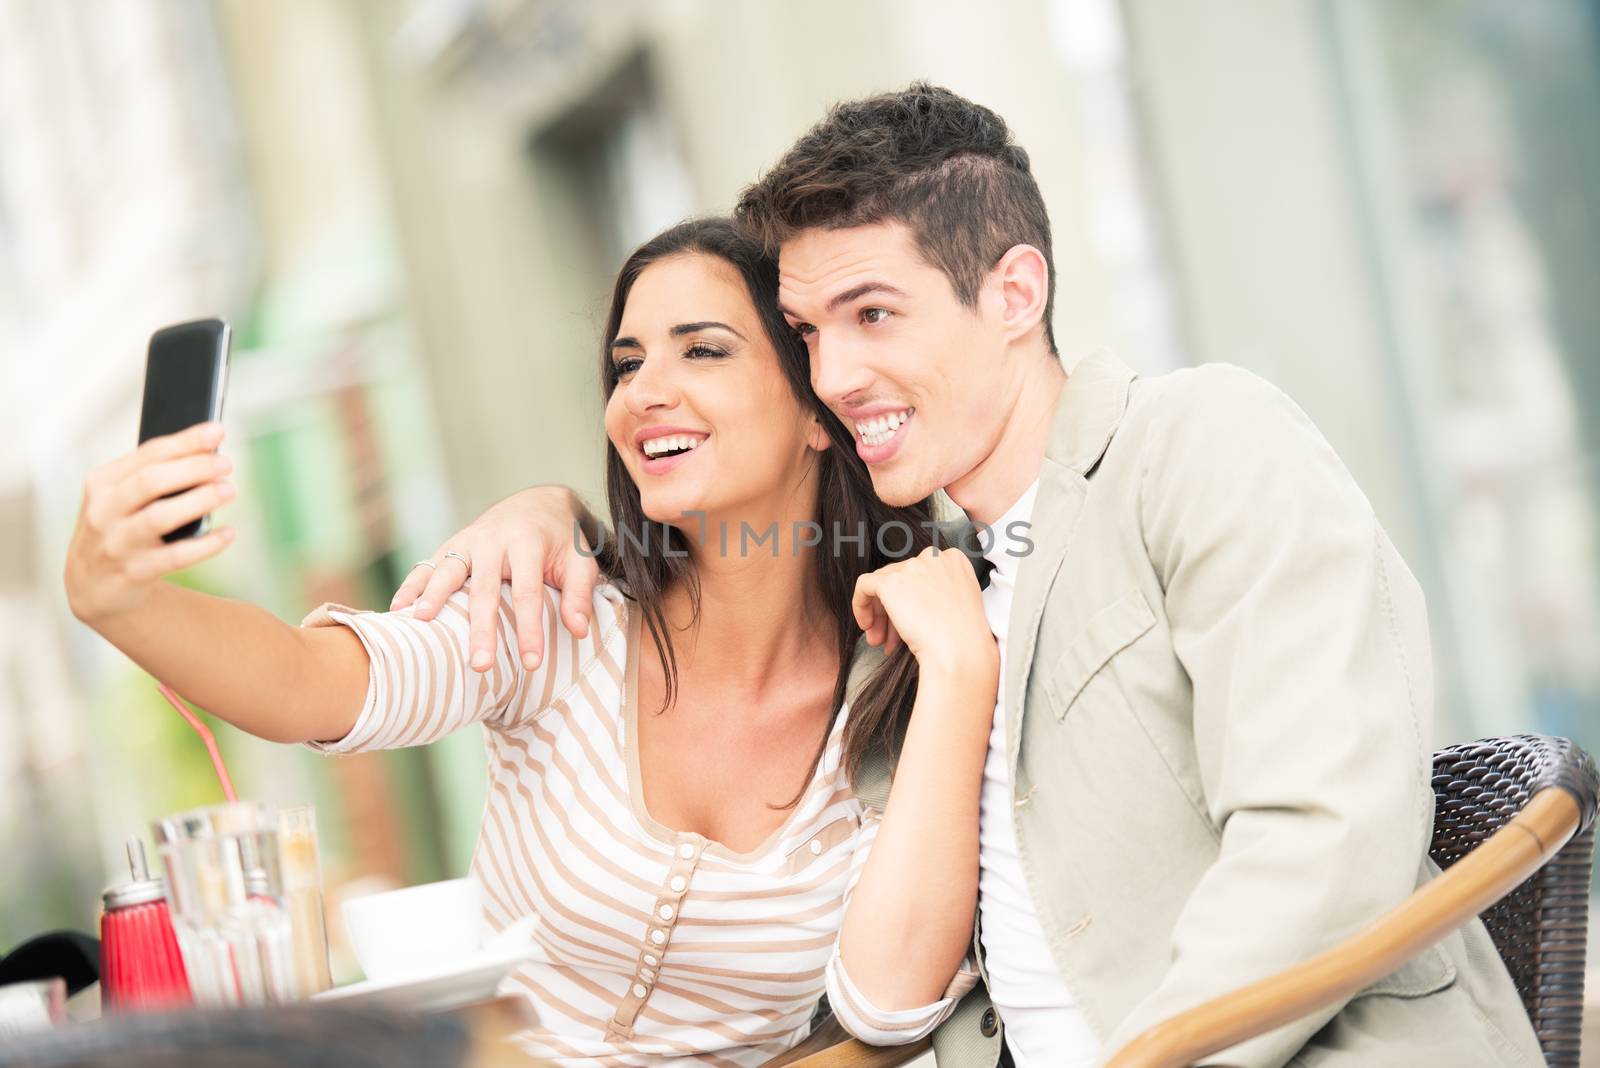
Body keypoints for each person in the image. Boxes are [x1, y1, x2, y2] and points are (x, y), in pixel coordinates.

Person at [400, 86, 1544, 1067]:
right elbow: (891, 997)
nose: (836, 374)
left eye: (873, 315)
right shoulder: (917, 610)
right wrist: (551, 511)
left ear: (1013, 295)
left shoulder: (1194, 445)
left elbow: (1320, 838)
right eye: (806, 332)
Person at [64, 218, 999, 1065]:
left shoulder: (908, 677)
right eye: (627, 366)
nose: (644, 396)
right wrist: (120, 601)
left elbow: (887, 1014)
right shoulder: (558, 617)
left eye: (702, 351)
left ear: (816, 412)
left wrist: (955, 671)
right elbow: (310, 684)